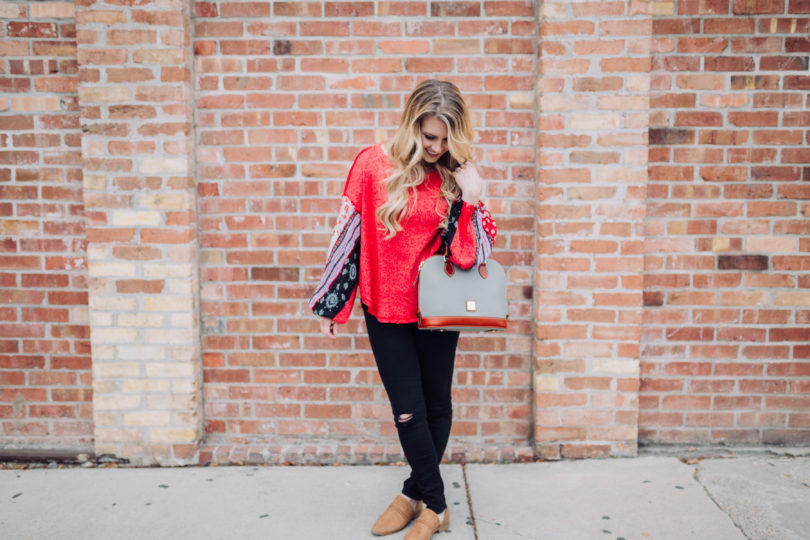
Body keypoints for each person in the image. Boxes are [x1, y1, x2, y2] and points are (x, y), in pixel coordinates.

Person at [308, 79, 498, 540]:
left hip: (436, 309)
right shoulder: (372, 165)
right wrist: (334, 302)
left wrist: (470, 200)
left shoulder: (459, 173)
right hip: (384, 305)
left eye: (445, 139)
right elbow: (348, 233)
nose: (435, 147)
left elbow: (471, 255)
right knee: (408, 412)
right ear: (412, 124)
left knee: (437, 406)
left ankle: (414, 495)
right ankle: (436, 506)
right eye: (428, 136)